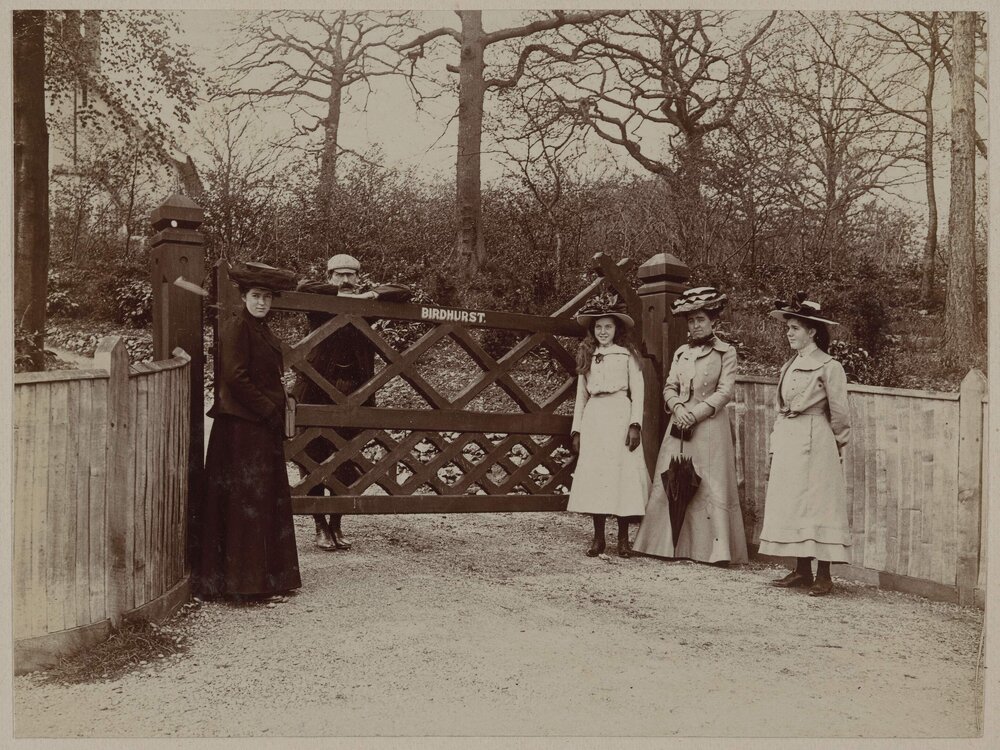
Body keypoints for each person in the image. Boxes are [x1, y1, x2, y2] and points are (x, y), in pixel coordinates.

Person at [197, 262, 301, 601]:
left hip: (260, 427)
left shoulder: (262, 329)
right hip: (242, 428)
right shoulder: (237, 327)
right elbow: (234, 377)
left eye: (268, 297)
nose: (262, 303)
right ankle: (245, 586)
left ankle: (268, 580)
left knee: (263, 501)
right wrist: (268, 408)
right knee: (247, 503)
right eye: (256, 296)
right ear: (244, 297)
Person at [293, 253, 411, 551]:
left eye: (351, 275)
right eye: (339, 275)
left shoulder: (365, 305)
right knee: (314, 458)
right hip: (316, 390)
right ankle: (319, 526)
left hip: (354, 391)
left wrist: (369, 295)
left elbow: (402, 291)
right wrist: (338, 294)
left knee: (347, 459)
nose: (345, 280)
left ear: (359, 278)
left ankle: (336, 525)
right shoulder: (319, 303)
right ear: (329, 276)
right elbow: (304, 286)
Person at [633, 287, 748, 565]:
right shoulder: (681, 353)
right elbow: (670, 386)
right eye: (692, 321)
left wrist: (695, 414)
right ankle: (666, 545)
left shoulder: (726, 352)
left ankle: (714, 551)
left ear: (712, 322)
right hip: (679, 425)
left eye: (701, 320)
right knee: (673, 476)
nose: (696, 326)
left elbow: (725, 391)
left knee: (711, 483)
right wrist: (678, 408)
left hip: (709, 425)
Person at [758, 293, 851, 597]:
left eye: (795, 328)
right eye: (788, 328)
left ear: (812, 331)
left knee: (818, 504)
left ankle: (824, 575)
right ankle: (801, 570)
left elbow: (839, 412)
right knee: (794, 501)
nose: (789, 333)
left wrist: (838, 445)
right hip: (790, 436)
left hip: (816, 440)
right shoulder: (789, 365)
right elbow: (780, 407)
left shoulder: (829, 366)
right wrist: (775, 445)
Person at [567, 295, 649, 558]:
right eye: (599, 327)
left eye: (608, 327)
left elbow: (639, 391)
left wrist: (635, 424)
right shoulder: (587, 355)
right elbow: (581, 395)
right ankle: (599, 538)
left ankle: (623, 540)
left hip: (620, 415)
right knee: (597, 476)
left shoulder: (627, 355)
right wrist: (577, 429)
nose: (603, 332)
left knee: (621, 476)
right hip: (595, 418)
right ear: (593, 330)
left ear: (617, 329)